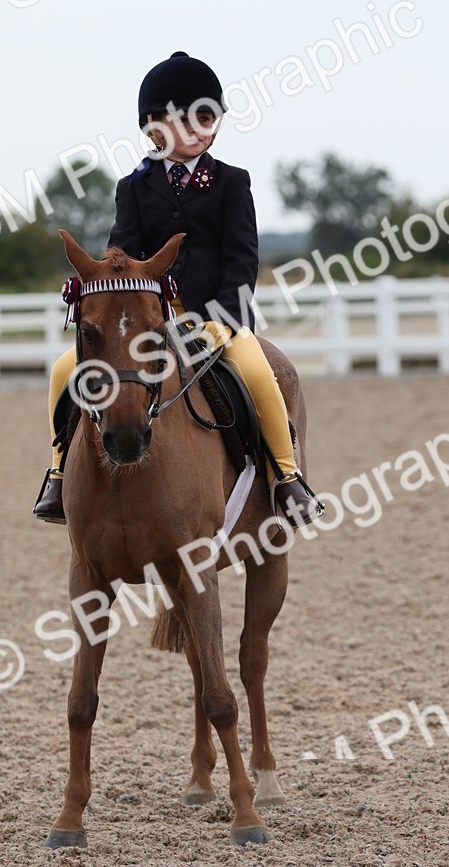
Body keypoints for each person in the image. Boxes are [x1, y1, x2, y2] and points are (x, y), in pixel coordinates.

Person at [33, 50, 322, 528]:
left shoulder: (231, 182)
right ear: (151, 127)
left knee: (257, 370)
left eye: (205, 118)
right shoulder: (134, 187)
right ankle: (61, 473)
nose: (195, 131)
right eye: (181, 120)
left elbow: (242, 259)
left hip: (216, 317)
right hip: (154, 320)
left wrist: (226, 321)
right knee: (65, 369)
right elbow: (120, 257)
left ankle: (286, 478)